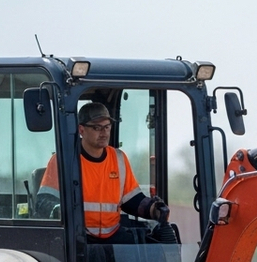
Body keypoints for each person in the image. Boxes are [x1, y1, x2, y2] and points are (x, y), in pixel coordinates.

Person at [36, 101, 169, 241]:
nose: (104, 132)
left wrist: (153, 208)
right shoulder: (63, 160)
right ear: (81, 130)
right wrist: (60, 211)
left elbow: (132, 200)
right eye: (97, 128)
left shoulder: (119, 159)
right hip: (77, 239)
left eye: (107, 127)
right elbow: (44, 201)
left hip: (113, 235)